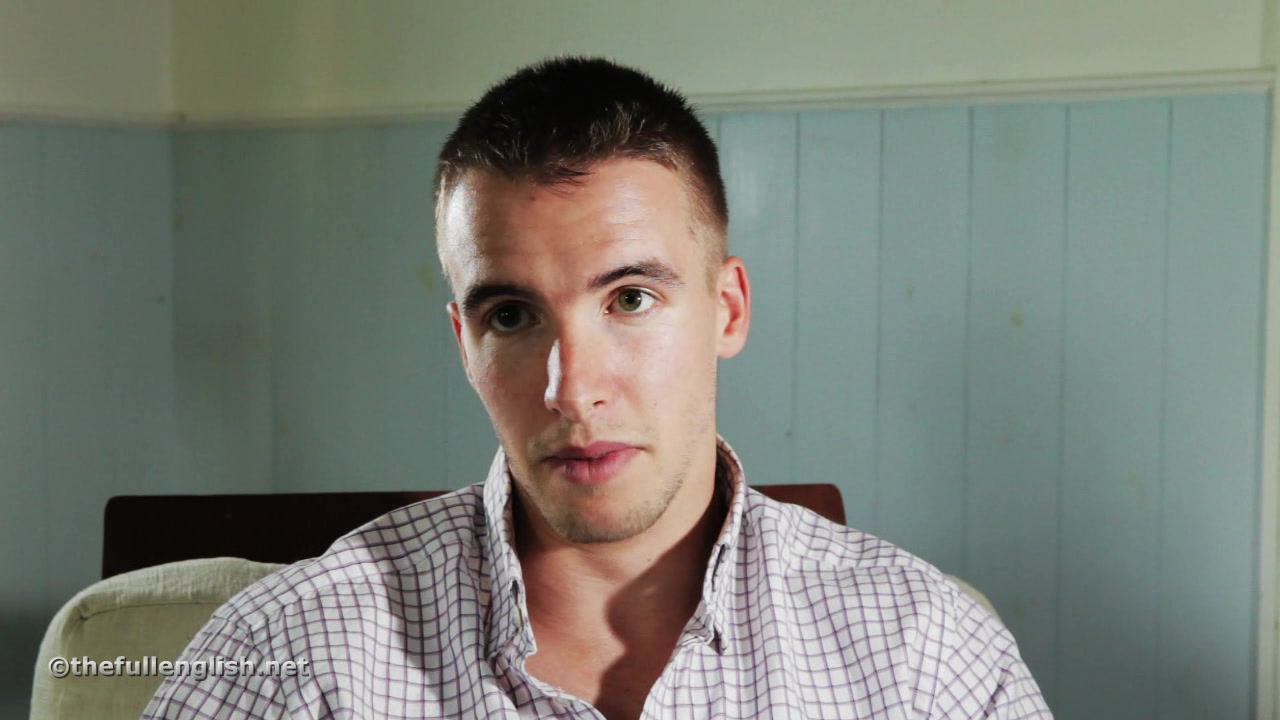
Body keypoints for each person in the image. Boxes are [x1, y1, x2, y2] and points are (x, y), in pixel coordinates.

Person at [142, 56, 1051, 719]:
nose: (572, 389)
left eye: (630, 299)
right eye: (512, 315)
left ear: (727, 310)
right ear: (464, 344)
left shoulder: (924, 656)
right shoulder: (292, 657)